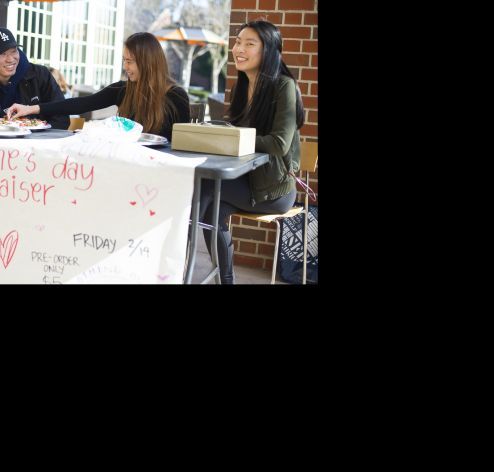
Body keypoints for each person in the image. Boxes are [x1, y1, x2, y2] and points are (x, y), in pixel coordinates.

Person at [198, 20, 305, 284]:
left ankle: (177, 254)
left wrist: (235, 136)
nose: (239, 49)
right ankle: (225, 280)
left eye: (249, 43)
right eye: (238, 42)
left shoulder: (284, 87)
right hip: (245, 180)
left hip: (275, 190)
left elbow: (279, 144)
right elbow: (236, 137)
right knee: (210, 207)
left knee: (206, 188)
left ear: (268, 50)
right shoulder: (242, 87)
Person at [6, 32, 190, 140]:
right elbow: (81, 104)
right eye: (124, 60)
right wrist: (31, 109)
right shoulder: (123, 89)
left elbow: (183, 142)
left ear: (148, 63)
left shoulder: (176, 96)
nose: (125, 67)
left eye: (130, 61)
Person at [0, 27, 69, 129]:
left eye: (14, 51)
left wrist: (37, 134)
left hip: (41, 138)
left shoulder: (40, 75)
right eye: (2, 54)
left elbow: (61, 118)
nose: (10, 59)